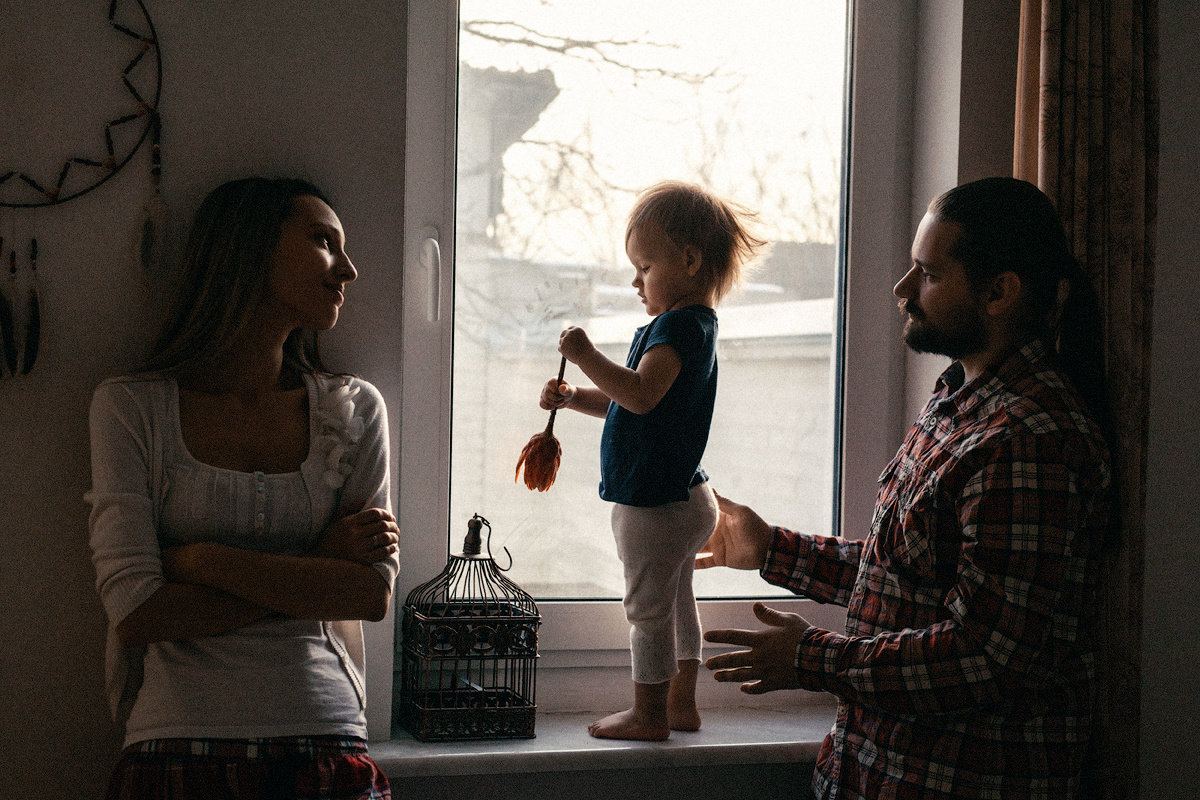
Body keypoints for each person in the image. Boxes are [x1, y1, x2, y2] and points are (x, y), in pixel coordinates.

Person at [700, 177, 1113, 799]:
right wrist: (771, 551)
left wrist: (812, 658)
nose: (902, 289)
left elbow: (985, 656)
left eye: (929, 273)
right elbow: (909, 580)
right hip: (875, 772)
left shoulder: (1027, 440)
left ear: (999, 292)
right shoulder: (959, 402)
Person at [85, 177, 399, 799]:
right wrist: (315, 564)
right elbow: (138, 613)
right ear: (250, 248)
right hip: (175, 742)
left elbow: (365, 593)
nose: (350, 270)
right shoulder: (131, 408)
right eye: (324, 241)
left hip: (324, 735)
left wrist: (203, 561)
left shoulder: (354, 408)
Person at [541, 180, 765, 740]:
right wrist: (574, 398)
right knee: (678, 602)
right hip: (689, 496)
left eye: (644, 267)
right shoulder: (694, 328)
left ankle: (649, 715)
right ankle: (681, 706)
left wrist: (585, 356)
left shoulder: (677, 327)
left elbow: (638, 395)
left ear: (689, 260)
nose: (635, 282)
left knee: (647, 612)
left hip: (655, 503)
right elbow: (632, 402)